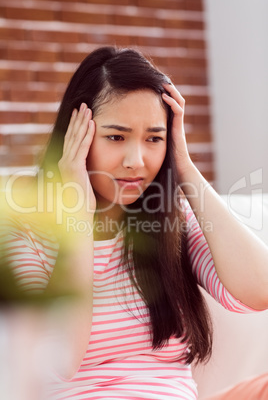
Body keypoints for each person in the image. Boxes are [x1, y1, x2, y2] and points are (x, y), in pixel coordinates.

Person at [1, 46, 268, 400]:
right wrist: (76, 216)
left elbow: (259, 290)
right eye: (116, 137)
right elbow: (58, 358)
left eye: (153, 138)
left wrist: (184, 167)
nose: (136, 160)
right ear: (75, 137)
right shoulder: (26, 231)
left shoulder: (170, 224)